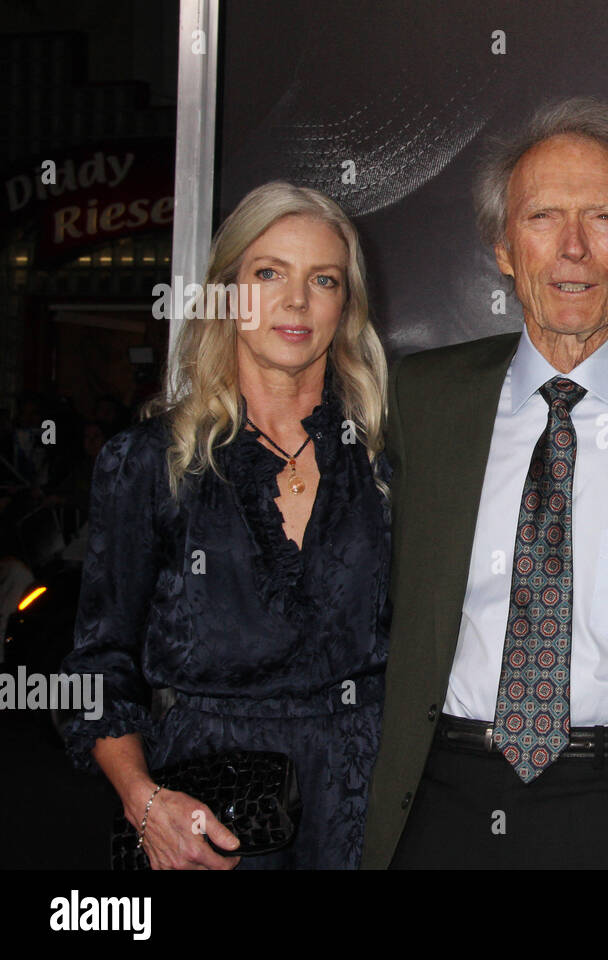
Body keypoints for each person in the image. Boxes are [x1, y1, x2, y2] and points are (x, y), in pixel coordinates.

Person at [362, 97, 608, 869]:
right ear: (504, 248)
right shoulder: (421, 399)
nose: (573, 248)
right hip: (443, 798)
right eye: (543, 217)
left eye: (602, 218)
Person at [60, 181, 391, 869]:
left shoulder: (386, 461)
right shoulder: (149, 462)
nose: (296, 301)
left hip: (367, 808)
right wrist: (144, 801)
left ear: (346, 306)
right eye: (269, 273)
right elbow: (97, 667)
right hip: (205, 816)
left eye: (323, 279)